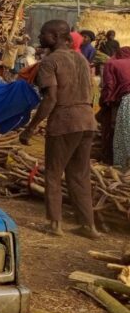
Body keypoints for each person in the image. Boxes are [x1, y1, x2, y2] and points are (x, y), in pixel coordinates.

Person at [19, 21, 100, 238]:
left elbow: (50, 99)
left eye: (43, 33)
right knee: (80, 175)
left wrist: (30, 128)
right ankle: (88, 226)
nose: (39, 36)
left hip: (65, 121)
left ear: (54, 37)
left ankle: (55, 225)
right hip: (87, 120)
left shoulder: (51, 61)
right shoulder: (82, 59)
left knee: (54, 174)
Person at [99, 47, 130, 167]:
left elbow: (109, 85)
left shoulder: (112, 63)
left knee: (122, 132)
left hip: (127, 99)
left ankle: (121, 164)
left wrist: (106, 102)